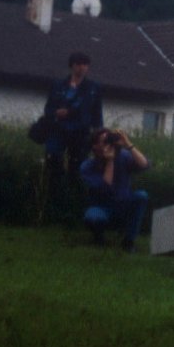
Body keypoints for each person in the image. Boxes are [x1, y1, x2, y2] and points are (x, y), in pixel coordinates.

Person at [40, 52, 105, 223]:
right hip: (58, 132)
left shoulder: (93, 88)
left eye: (85, 64)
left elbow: (97, 113)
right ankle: (53, 207)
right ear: (72, 66)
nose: (82, 68)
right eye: (78, 64)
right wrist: (56, 113)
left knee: (78, 170)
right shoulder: (58, 85)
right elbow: (48, 109)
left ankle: (74, 209)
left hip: (80, 134)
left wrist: (99, 135)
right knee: (54, 166)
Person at [76, 127, 152, 250]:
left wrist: (128, 144)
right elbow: (105, 188)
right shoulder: (87, 166)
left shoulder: (123, 156)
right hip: (102, 207)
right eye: (104, 141)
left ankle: (129, 241)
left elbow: (144, 165)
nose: (109, 144)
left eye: (109, 140)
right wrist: (110, 161)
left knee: (141, 195)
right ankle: (98, 237)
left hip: (123, 204)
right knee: (93, 217)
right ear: (95, 146)